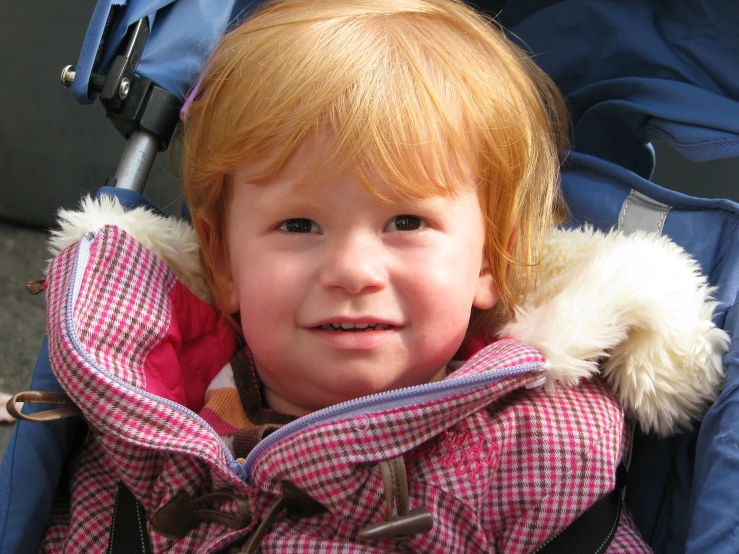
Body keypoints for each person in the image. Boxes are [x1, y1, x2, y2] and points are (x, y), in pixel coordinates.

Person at [38, 0, 727, 552]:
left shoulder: (536, 458)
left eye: (405, 224)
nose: (352, 271)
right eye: (299, 226)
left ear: (489, 260)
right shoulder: (141, 416)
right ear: (223, 265)